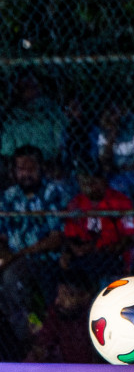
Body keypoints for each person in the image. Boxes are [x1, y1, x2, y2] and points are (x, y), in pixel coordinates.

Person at [0, 145, 70, 351]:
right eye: (21, 169)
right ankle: (22, 337)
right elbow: (2, 235)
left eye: (31, 168)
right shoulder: (9, 196)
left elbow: (57, 238)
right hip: (15, 256)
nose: (26, 174)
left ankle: (39, 340)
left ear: (41, 168)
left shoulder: (53, 192)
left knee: (13, 278)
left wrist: (17, 256)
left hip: (46, 256)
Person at [60, 162, 134, 285]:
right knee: (65, 263)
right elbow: (70, 235)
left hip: (112, 253)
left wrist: (100, 249)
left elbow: (129, 237)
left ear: (103, 181)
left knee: (96, 264)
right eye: (84, 183)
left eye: (93, 182)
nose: (89, 187)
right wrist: (74, 249)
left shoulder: (121, 202)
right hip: (84, 254)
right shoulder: (76, 203)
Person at [26, 271, 98, 363]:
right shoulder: (57, 314)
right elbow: (42, 344)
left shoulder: (96, 318)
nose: (57, 301)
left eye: (65, 295)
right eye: (59, 295)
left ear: (84, 296)